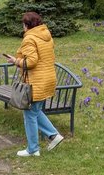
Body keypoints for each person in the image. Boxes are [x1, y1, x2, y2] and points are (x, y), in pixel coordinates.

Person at [7, 12, 64, 156]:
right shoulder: (46, 35)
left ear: (26, 25)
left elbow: (31, 62)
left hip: (37, 82)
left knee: (30, 113)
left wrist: (16, 61)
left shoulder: (30, 39)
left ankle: (33, 149)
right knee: (35, 111)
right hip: (48, 79)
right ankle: (53, 136)